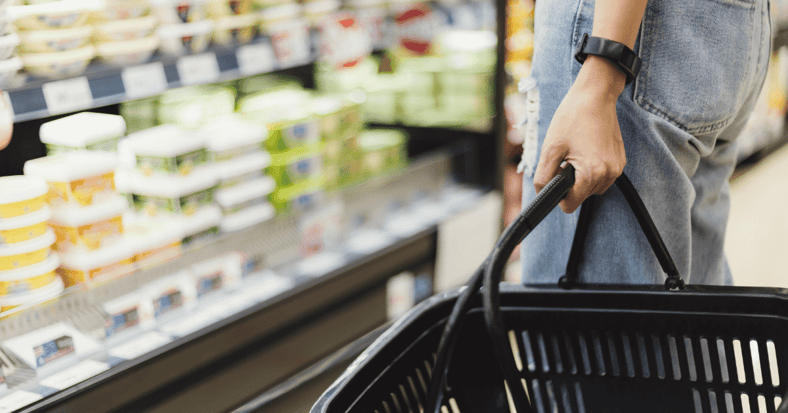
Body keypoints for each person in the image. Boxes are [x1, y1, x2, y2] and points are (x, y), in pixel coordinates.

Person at [520, 0, 771, 285]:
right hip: (727, 23)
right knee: (692, 304)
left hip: (624, 34)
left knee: (592, 319)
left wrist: (601, 75)